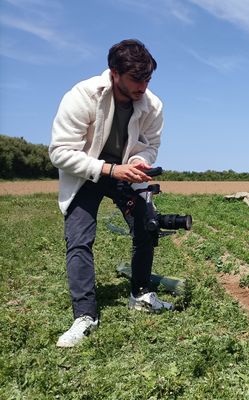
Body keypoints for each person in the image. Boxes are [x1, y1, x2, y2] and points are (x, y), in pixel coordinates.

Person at [49, 39, 171, 348]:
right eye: (135, 79)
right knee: (79, 237)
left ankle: (141, 295)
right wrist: (109, 169)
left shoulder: (152, 106)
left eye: (147, 79)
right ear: (114, 73)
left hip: (124, 173)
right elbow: (60, 152)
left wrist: (139, 162)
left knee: (146, 225)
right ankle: (85, 316)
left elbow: (148, 145)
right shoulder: (83, 95)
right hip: (86, 173)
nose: (143, 86)